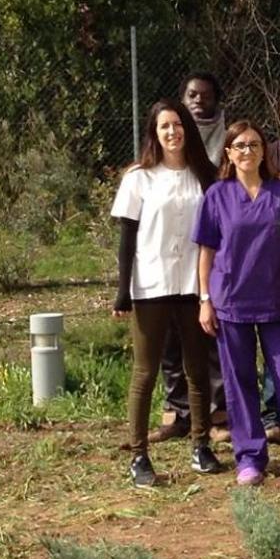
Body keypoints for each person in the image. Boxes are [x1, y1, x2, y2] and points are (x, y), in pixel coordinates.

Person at [192, 120, 280, 485]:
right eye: (240, 146)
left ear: (264, 150)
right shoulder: (217, 195)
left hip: (278, 302)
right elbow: (206, 252)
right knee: (240, 382)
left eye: (254, 144)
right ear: (229, 153)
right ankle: (250, 458)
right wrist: (205, 299)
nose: (247, 151)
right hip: (230, 301)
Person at [111, 98, 222, 487]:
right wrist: (123, 292)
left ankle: (201, 445)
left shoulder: (204, 175)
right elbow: (127, 239)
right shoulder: (139, 178)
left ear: (187, 129)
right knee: (145, 372)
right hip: (151, 286)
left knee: (197, 369)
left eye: (177, 124)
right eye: (164, 126)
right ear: (154, 133)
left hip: (193, 285)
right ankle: (139, 455)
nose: (172, 132)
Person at [149, 72, 229, 444]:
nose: (198, 101)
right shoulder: (165, 141)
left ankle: (217, 413)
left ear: (217, 100)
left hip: (206, 260)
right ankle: (176, 412)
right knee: (169, 342)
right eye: (191, 95)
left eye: (205, 95)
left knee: (208, 339)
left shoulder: (225, 143)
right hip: (165, 263)